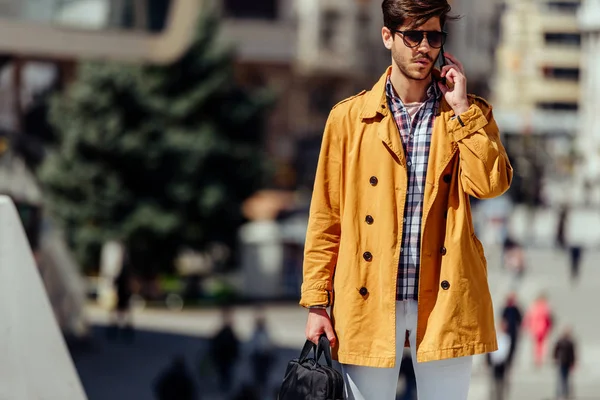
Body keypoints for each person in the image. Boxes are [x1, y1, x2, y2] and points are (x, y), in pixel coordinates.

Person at [300, 0, 513, 399]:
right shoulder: (348, 119)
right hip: (369, 297)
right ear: (388, 37)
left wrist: (463, 109)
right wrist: (317, 304)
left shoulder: (467, 115)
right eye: (413, 35)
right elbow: (325, 217)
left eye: (433, 36)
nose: (424, 47)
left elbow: (491, 185)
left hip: (445, 299)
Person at [209, 307, 240, 394]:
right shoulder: (223, 333)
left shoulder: (228, 333)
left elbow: (235, 345)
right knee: (224, 373)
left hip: (227, 357)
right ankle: (225, 386)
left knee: (226, 373)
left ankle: (225, 386)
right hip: (223, 357)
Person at [523, 293, 554, 368]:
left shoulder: (535, 307)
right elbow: (549, 318)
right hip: (541, 327)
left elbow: (528, 317)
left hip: (536, 328)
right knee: (541, 344)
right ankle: (539, 358)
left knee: (538, 344)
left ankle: (538, 358)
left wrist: (526, 325)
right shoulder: (545, 307)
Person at [486, 320, 512, 400]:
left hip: (502, 363)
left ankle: (500, 396)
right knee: (493, 382)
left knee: (501, 381)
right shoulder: (496, 337)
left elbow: (506, 351)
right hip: (494, 363)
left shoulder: (507, 338)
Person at [500, 292, 523, 369]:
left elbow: (520, 320)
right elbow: (502, 320)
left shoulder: (516, 309)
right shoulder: (505, 308)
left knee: (512, 348)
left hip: (513, 332)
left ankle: (509, 361)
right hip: (507, 332)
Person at [553, 327, 577, 400]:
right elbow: (555, 351)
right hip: (561, 362)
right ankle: (560, 393)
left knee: (566, 379)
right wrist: (555, 358)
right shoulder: (561, 341)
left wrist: (573, 362)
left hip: (567, 362)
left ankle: (566, 393)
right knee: (561, 378)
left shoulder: (570, 342)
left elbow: (573, 354)